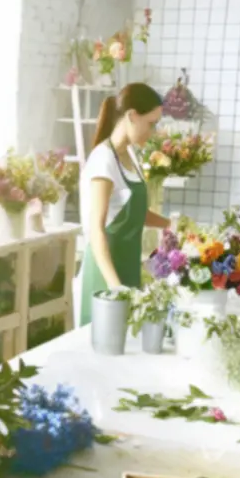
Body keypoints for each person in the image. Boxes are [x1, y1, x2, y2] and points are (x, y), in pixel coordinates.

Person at [78, 83, 170, 325]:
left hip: (128, 266)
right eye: (151, 123)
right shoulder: (103, 160)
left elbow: (134, 212)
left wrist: (171, 225)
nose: (153, 132)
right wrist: (114, 286)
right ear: (131, 116)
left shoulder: (132, 156)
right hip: (105, 272)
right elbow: (96, 228)